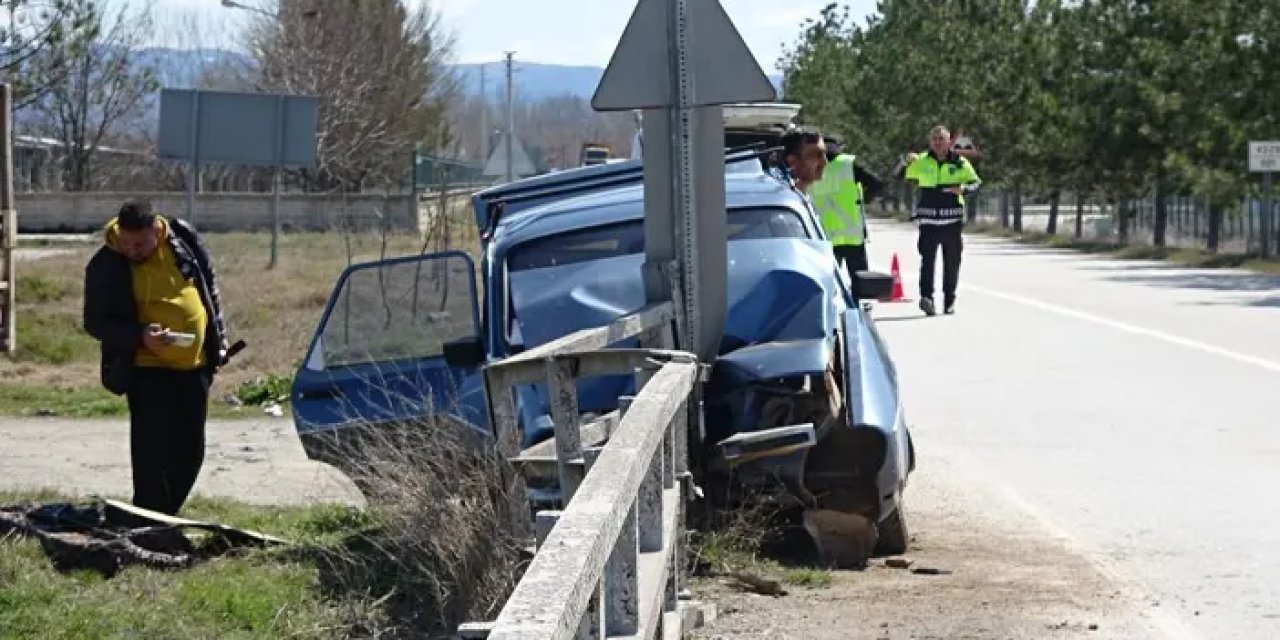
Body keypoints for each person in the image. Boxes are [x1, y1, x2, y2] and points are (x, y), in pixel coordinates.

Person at [83, 200, 231, 516]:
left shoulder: (182, 239)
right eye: (126, 243)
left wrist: (219, 343)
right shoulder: (107, 263)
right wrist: (140, 336)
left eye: (140, 244)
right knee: (151, 452)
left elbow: (209, 288)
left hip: (194, 366)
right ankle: (148, 518)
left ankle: (166, 515)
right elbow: (95, 321)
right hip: (145, 367)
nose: (132, 250)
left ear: (157, 231)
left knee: (190, 450)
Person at [895, 125, 981, 316]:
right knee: (927, 262)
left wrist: (964, 189)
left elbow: (976, 183)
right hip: (928, 222)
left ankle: (949, 300)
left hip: (952, 222)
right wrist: (904, 161)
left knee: (952, 263)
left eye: (941, 139)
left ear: (949, 141)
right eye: (934, 139)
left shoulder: (959, 163)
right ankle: (927, 299)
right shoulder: (922, 161)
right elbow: (899, 175)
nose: (938, 142)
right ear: (930, 142)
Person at [809, 133, 885, 281]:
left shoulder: (810, 166)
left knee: (828, 282)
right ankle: (861, 303)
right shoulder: (849, 163)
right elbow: (877, 183)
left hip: (823, 236)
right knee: (861, 284)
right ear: (841, 148)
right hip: (852, 234)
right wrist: (866, 200)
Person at [776, 126, 829, 193]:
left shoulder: (799, 197)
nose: (825, 162)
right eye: (817, 155)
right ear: (792, 162)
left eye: (824, 154)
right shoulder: (780, 198)